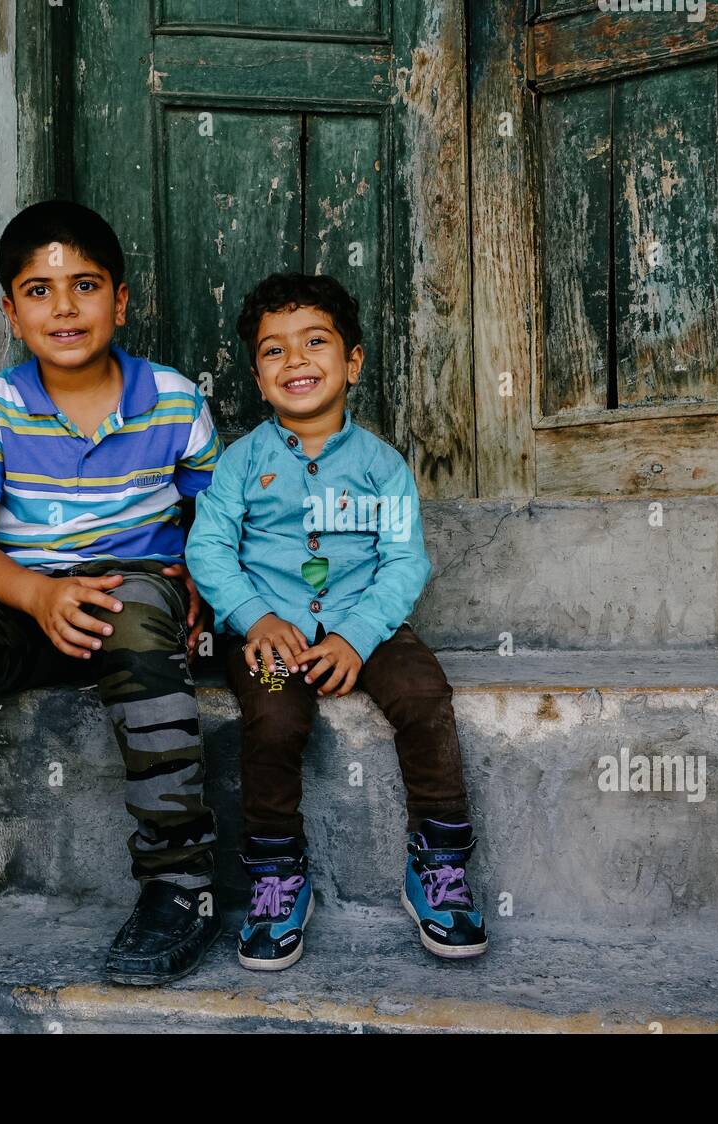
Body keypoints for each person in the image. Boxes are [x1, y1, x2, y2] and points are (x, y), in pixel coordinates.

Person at [0, 201, 223, 985]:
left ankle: (180, 883)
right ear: (9, 310)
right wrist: (36, 597)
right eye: (38, 291)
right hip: (26, 602)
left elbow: (220, 513)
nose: (64, 308)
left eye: (86, 285)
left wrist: (203, 570)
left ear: (121, 300)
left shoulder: (174, 399)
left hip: (135, 596)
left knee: (132, 610)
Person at [186, 272, 487, 970]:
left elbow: (406, 562)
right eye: (273, 351)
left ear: (352, 362)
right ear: (259, 380)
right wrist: (254, 617)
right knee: (275, 717)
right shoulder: (241, 463)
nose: (295, 360)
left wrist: (356, 635)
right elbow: (207, 546)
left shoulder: (382, 467)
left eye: (314, 342)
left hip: (367, 622)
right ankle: (276, 873)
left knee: (423, 694)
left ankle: (438, 866)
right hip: (268, 630)